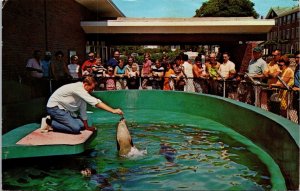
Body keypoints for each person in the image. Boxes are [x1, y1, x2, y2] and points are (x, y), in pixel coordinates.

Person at [44, 76, 123, 134]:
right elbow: (95, 102)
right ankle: (50, 122)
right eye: (91, 88)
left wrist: (87, 127)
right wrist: (113, 110)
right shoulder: (78, 88)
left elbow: (83, 112)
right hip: (54, 108)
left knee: (82, 126)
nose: (92, 91)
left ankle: (58, 120)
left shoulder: (83, 93)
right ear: (85, 85)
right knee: (76, 129)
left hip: (65, 110)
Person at [292, 51, 300, 123]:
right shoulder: (297, 67)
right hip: (297, 96)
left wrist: (298, 88)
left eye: (298, 57)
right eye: (296, 57)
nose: (296, 59)